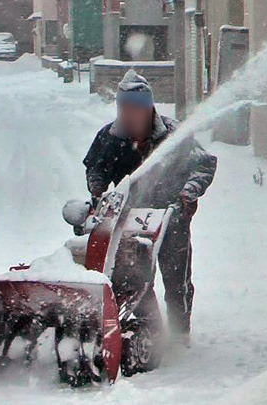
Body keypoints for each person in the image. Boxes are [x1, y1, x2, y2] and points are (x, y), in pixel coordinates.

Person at [83, 70, 217, 338]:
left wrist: (187, 194)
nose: (128, 115)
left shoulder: (174, 135)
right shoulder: (109, 137)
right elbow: (95, 167)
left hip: (171, 218)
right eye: (123, 107)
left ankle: (179, 337)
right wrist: (97, 189)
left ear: (149, 108)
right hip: (128, 221)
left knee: (176, 281)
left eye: (134, 108)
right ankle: (154, 334)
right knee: (133, 280)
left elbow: (204, 164)